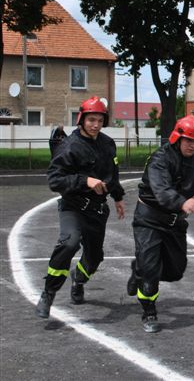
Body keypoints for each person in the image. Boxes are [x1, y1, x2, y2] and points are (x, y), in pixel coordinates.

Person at [36, 96, 126, 318]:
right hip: (73, 206)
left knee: (94, 257)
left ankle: (79, 280)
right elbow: (55, 180)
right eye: (91, 119)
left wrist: (118, 196)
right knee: (69, 243)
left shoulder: (108, 144)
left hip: (97, 210)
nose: (95, 124)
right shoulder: (69, 146)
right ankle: (49, 292)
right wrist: (85, 180)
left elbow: (112, 175)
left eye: (100, 120)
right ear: (82, 120)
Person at [127, 115, 194, 333]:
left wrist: (192, 204)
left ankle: (138, 269)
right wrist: (183, 202)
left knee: (175, 271)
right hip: (149, 218)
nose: (192, 145)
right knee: (151, 270)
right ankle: (149, 311)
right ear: (177, 138)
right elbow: (162, 191)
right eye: (188, 139)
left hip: (173, 221)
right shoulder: (160, 159)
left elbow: (189, 191)